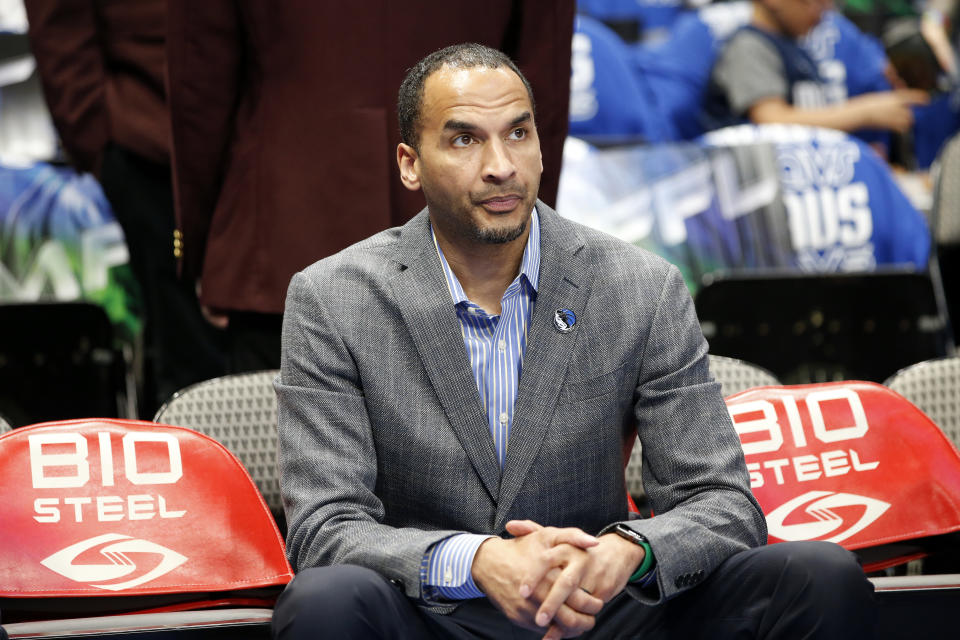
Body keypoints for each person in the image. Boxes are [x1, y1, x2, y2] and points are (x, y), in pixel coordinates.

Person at [272, 44, 877, 639]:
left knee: (816, 574)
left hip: (602, 607)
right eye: (464, 139)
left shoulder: (639, 285)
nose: (500, 165)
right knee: (326, 599)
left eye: (518, 134)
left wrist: (626, 552)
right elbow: (326, 527)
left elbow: (720, 501)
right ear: (409, 163)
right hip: (434, 610)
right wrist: (476, 562)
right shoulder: (334, 298)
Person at [165, 0, 574, 373]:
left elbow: (201, 84)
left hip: (282, 231)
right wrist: (523, 244)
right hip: (470, 253)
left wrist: (205, 247)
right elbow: (543, 82)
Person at [24, 0, 225, 417]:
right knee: (186, 347)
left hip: (239, 138)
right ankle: (191, 467)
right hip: (149, 143)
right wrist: (100, 145)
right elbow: (59, 29)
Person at [705, 0, 929, 136]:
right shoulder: (749, 46)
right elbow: (771, 119)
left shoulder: (799, 51)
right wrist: (865, 113)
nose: (824, 12)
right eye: (816, 1)